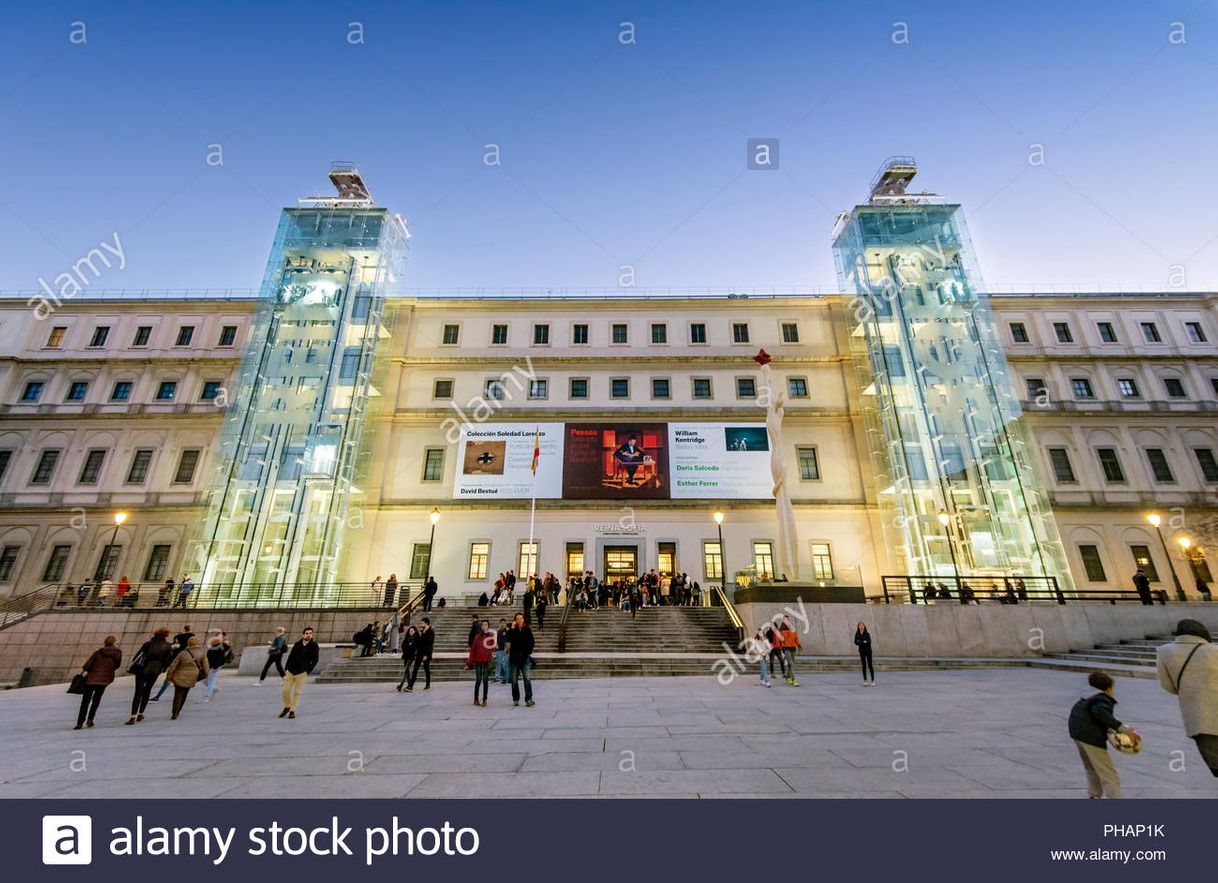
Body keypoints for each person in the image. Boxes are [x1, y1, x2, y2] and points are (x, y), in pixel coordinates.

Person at [1156, 619, 1218, 777]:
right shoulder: (1214, 650)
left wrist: (1191, 692)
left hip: (1198, 719)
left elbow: (1167, 685)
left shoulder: (1164, 651)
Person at [1068, 671, 1137, 799]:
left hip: (1077, 733)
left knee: (1091, 767)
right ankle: (1114, 798)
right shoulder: (1101, 699)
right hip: (1090, 736)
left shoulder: (1087, 697)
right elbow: (1100, 713)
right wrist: (1124, 729)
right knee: (1108, 773)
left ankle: (1094, 795)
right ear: (1109, 689)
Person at [126, 627, 173, 724]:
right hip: (155, 670)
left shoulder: (147, 644)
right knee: (147, 690)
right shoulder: (167, 646)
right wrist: (162, 668)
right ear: (166, 635)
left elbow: (138, 656)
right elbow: (167, 660)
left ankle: (133, 715)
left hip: (142, 669)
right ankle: (140, 713)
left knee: (138, 692)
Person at [74, 636, 122, 729]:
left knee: (85, 701)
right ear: (114, 642)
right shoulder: (117, 652)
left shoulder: (98, 652)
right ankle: (90, 720)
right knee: (96, 699)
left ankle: (79, 723)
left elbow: (86, 666)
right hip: (104, 679)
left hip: (92, 678)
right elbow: (117, 665)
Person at [164, 635, 207, 721]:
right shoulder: (202, 653)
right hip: (192, 676)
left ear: (189, 643)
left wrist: (169, 677)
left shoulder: (183, 653)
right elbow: (206, 667)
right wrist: (204, 675)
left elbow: (173, 665)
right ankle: (178, 710)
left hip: (179, 676)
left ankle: (174, 713)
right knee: (185, 694)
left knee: (177, 694)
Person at [279, 627, 319, 719]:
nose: (308, 635)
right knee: (286, 690)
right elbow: (291, 656)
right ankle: (287, 706)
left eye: (310, 633)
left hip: (301, 672)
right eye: (307, 633)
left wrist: (308, 670)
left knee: (297, 692)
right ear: (303, 634)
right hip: (291, 671)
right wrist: (286, 669)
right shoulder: (297, 644)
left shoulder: (314, 645)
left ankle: (292, 710)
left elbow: (315, 659)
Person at [151, 624, 195, 701]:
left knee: (168, 679)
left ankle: (158, 696)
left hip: (176, 660)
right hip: (187, 661)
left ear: (184, 629)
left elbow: (174, 647)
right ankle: (182, 696)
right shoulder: (192, 637)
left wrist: (165, 667)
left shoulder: (178, 637)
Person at [507, 612, 535, 707]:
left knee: (527, 679)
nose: (519, 620)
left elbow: (531, 642)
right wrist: (512, 628)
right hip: (514, 658)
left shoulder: (527, 630)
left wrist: (528, 652)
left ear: (523, 619)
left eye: (520, 618)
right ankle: (515, 699)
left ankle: (529, 698)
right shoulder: (513, 630)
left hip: (524, 658)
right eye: (517, 618)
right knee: (514, 680)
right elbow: (508, 638)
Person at [469, 619, 495, 707]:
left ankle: (484, 699)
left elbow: (493, 648)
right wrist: (469, 663)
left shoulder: (491, 636)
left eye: (486, 625)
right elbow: (472, 650)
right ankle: (476, 699)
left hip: (486, 661)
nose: (484, 626)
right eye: (483, 625)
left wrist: (490, 654)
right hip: (478, 661)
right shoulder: (477, 637)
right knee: (478, 680)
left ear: (488, 626)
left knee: (485, 680)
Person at [404, 617, 434, 692]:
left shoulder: (431, 632)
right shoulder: (422, 631)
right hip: (419, 653)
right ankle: (410, 686)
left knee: (426, 669)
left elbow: (430, 645)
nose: (421, 624)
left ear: (426, 623)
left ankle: (428, 683)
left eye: (422, 623)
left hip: (426, 653)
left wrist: (426, 655)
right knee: (415, 669)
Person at [203, 632, 232, 701]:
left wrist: (216, 667)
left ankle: (207, 696)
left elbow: (219, 658)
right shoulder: (216, 646)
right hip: (213, 665)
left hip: (215, 666)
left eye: (218, 637)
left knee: (210, 680)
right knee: (207, 680)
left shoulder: (221, 647)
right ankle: (214, 688)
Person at [778, 615, 801, 686]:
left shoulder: (792, 629)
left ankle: (788, 677)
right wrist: (780, 649)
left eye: (787, 619)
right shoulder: (781, 630)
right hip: (786, 648)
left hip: (793, 648)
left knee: (791, 664)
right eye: (785, 619)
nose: (786, 621)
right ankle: (794, 680)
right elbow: (779, 641)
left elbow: (796, 638)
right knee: (791, 664)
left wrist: (799, 645)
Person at [396, 626, 419, 692]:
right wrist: (408, 646)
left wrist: (410, 645)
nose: (410, 632)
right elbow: (403, 645)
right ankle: (409, 685)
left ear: (415, 631)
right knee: (407, 671)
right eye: (410, 631)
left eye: (412, 631)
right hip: (405, 655)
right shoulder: (407, 637)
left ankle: (401, 685)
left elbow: (415, 647)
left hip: (411, 656)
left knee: (406, 670)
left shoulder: (416, 638)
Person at [854, 621, 875, 686]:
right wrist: (863, 642)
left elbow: (868, 642)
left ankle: (872, 680)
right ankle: (865, 680)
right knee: (864, 665)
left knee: (870, 665)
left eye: (862, 625)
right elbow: (855, 642)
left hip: (868, 651)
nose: (861, 627)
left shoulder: (867, 634)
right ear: (858, 627)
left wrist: (860, 642)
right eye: (860, 625)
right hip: (861, 651)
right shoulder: (857, 634)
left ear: (864, 626)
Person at [495, 618, 510, 684]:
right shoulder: (498, 631)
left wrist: (506, 649)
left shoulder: (508, 631)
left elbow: (509, 641)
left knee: (505, 665)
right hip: (498, 650)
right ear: (500, 624)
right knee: (498, 663)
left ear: (506, 624)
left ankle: (505, 678)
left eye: (504, 623)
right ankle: (497, 677)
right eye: (501, 623)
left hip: (505, 650)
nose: (502, 624)